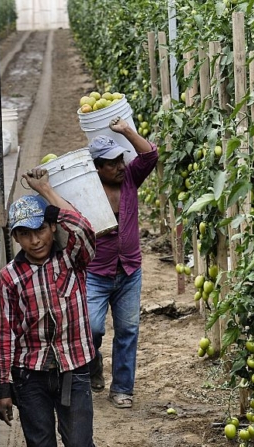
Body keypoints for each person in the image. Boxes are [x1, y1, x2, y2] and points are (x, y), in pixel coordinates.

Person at [0, 167, 97, 447]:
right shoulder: (9, 277)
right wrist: (3, 386)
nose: (35, 241)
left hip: (73, 368)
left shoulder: (72, 259)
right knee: (40, 443)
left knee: (79, 442)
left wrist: (46, 193)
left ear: (51, 227)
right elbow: (3, 335)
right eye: (25, 234)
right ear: (15, 238)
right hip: (30, 375)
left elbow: (84, 228)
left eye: (40, 230)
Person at [86, 117, 159, 409]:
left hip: (129, 269)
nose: (119, 166)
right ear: (96, 168)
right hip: (96, 272)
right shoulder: (86, 190)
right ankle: (93, 364)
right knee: (91, 328)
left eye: (120, 159)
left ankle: (122, 388)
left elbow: (150, 154)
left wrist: (126, 130)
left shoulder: (130, 178)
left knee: (128, 330)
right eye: (111, 163)